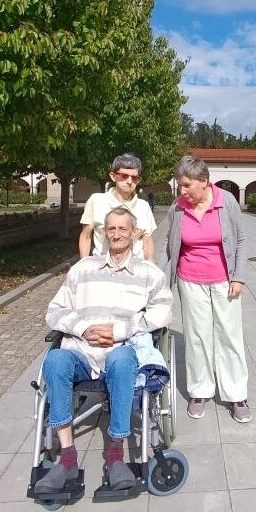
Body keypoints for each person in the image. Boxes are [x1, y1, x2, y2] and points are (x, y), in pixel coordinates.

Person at [34, 207, 173, 494]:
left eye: (124, 229)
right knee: (55, 360)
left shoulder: (149, 273)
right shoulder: (82, 269)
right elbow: (54, 311)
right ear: (104, 233)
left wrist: (120, 330)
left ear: (135, 233)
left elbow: (163, 313)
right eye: (111, 229)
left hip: (119, 351)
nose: (117, 234)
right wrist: (83, 328)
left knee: (122, 359)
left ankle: (115, 455)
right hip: (80, 352)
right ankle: (67, 458)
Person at [159, 155, 251, 424]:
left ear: (204, 182)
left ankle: (236, 394)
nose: (182, 191)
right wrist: (159, 280)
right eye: (180, 186)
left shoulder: (226, 201)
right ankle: (200, 391)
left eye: (186, 185)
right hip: (190, 280)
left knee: (229, 335)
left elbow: (242, 239)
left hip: (225, 280)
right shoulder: (177, 207)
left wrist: (240, 276)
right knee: (197, 336)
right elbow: (169, 245)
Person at [79, 153, 157, 261]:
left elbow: (147, 239)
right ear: (113, 176)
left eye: (134, 178)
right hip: (102, 268)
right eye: (124, 176)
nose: (129, 181)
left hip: (135, 270)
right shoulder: (96, 201)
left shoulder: (143, 206)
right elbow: (86, 235)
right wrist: (84, 263)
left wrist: (151, 265)